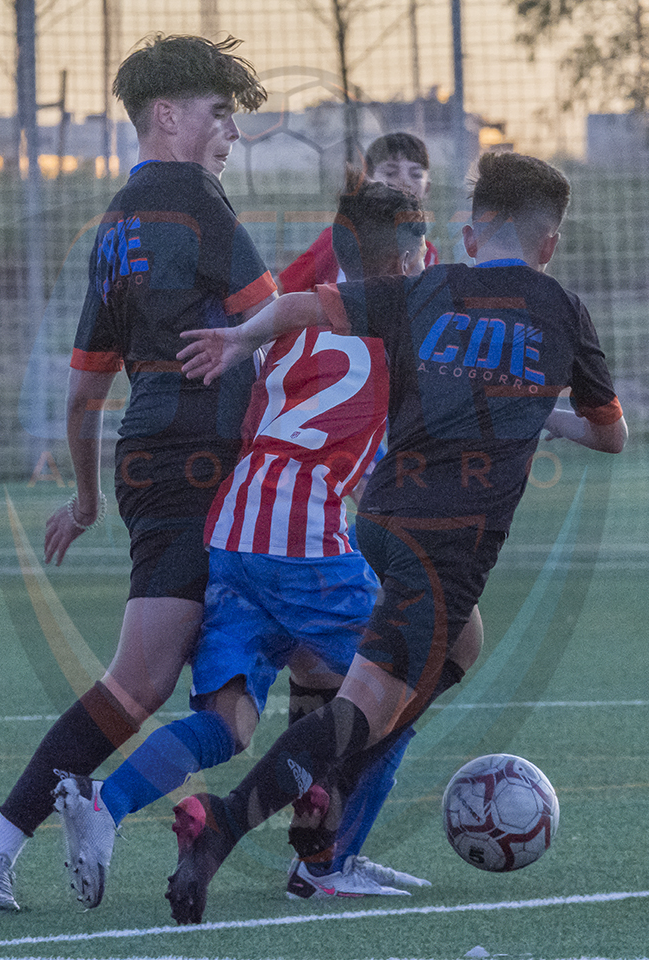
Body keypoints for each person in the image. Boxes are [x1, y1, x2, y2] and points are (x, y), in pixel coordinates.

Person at [165, 150, 628, 924]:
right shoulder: (563, 312)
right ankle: (237, 828)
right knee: (365, 709)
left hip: (380, 520)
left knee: (459, 645)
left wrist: (241, 338)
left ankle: (329, 810)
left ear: (471, 237)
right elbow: (611, 435)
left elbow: (304, 306)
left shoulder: (425, 290)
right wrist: (541, 413)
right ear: (549, 244)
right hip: (448, 544)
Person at [0, 33, 276, 912]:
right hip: (201, 463)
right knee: (143, 680)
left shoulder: (116, 223)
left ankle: (315, 841)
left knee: (225, 687)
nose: (231, 133)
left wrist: (89, 499)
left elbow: (86, 391)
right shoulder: (196, 201)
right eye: (218, 114)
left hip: (157, 459)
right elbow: (274, 320)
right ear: (167, 116)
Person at [52, 173, 451, 909]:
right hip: (302, 537)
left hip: (234, 527)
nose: (428, 263)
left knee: (227, 723)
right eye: (423, 252)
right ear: (403, 262)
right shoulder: (403, 327)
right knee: (397, 689)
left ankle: (105, 801)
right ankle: (329, 861)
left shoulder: (288, 326)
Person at [278, 132, 439, 295]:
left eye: (416, 175)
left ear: (427, 188)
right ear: (368, 180)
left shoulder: (427, 253)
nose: (404, 181)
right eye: (390, 172)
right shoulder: (340, 238)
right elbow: (282, 288)